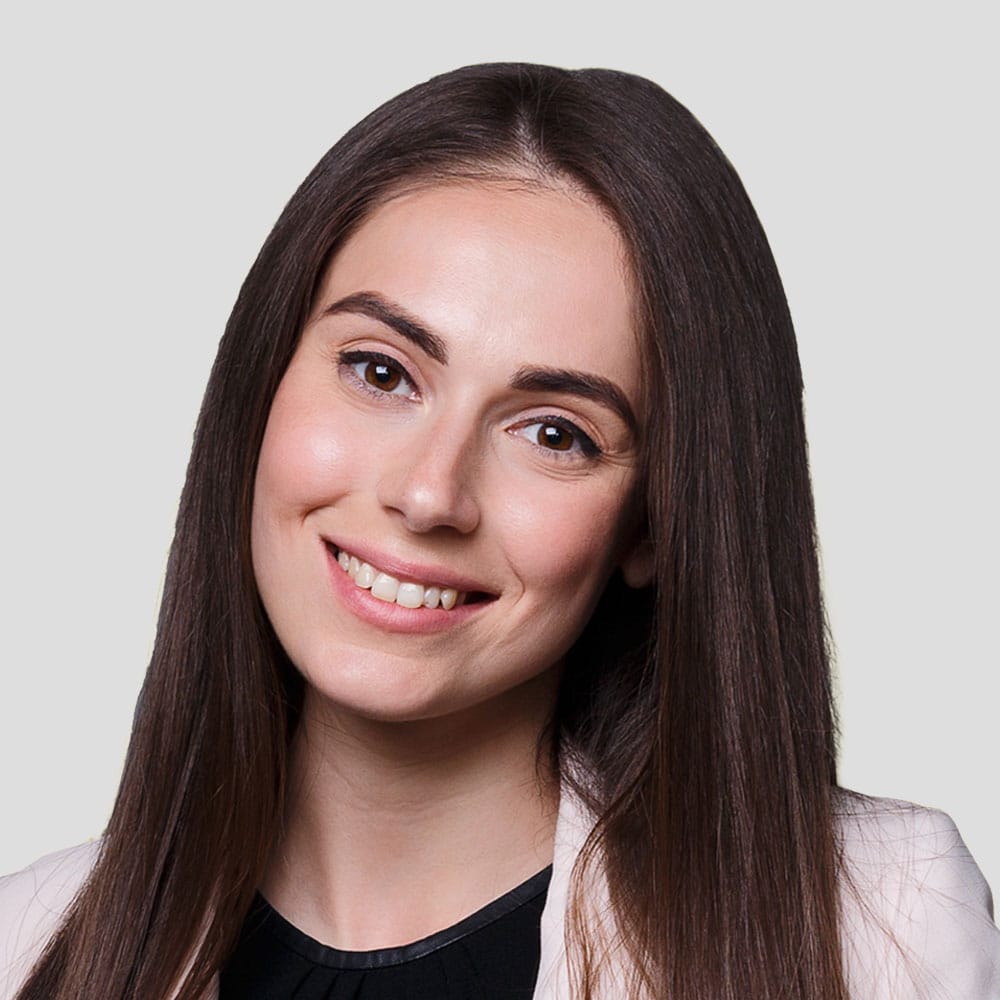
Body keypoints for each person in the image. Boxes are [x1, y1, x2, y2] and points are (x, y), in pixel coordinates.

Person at [1, 62, 997, 1000]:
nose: (429, 493)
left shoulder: (882, 925)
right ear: (260, 385)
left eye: (555, 433)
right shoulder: (21, 947)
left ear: (654, 524)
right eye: (381, 372)